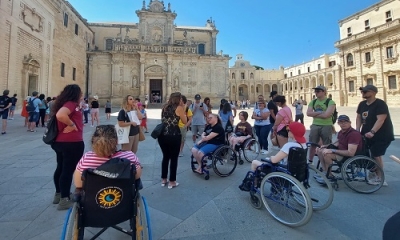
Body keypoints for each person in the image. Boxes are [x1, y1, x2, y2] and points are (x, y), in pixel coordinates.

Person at [239, 121, 308, 191]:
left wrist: (271, 158)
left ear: (293, 133)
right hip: (297, 174)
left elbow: (274, 160)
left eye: (288, 130)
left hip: (283, 172)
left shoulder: (289, 146)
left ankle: (254, 185)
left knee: (255, 162)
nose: (287, 131)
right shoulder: (303, 145)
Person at [73, 125, 142, 188]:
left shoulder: (86, 159)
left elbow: (78, 184)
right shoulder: (130, 156)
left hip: (94, 199)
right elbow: (136, 176)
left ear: (93, 141)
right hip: (123, 198)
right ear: (117, 141)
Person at [51, 84, 84, 210]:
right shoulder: (70, 104)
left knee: (60, 168)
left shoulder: (63, 103)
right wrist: (72, 125)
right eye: (80, 93)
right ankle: (64, 199)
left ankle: (58, 194)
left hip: (60, 142)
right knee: (68, 170)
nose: (81, 95)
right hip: (71, 143)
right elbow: (61, 115)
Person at [356, 85, 394, 186]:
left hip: (382, 134)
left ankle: (380, 178)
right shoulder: (362, 104)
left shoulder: (380, 104)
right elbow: (359, 117)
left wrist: (372, 132)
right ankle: (373, 173)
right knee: (369, 154)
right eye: (362, 92)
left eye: (365, 91)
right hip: (367, 133)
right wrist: (357, 130)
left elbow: (381, 119)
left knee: (376, 154)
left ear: (373, 92)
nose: (362, 93)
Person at [315, 115, 363, 183]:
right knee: (320, 151)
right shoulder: (341, 132)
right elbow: (337, 143)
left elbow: (350, 153)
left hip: (348, 156)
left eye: (345, 122)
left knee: (327, 154)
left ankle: (330, 176)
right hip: (341, 152)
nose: (343, 124)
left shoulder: (354, 134)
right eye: (341, 122)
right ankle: (326, 172)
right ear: (338, 123)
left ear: (350, 123)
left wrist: (332, 150)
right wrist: (325, 146)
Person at [159, 92, 187, 189]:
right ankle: (172, 181)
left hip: (162, 135)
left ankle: (163, 179)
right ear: (179, 99)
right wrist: (183, 108)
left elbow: (162, 120)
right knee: (174, 158)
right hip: (174, 134)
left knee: (165, 157)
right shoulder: (179, 108)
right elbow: (185, 121)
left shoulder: (164, 107)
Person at [306, 86, 336, 163]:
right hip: (315, 125)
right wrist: (320, 113)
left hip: (327, 125)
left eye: (318, 91)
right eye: (315, 91)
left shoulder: (330, 102)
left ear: (324, 92)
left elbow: (327, 115)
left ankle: (327, 161)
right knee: (313, 143)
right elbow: (308, 113)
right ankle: (310, 160)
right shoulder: (313, 102)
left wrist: (314, 114)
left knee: (327, 144)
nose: (316, 93)